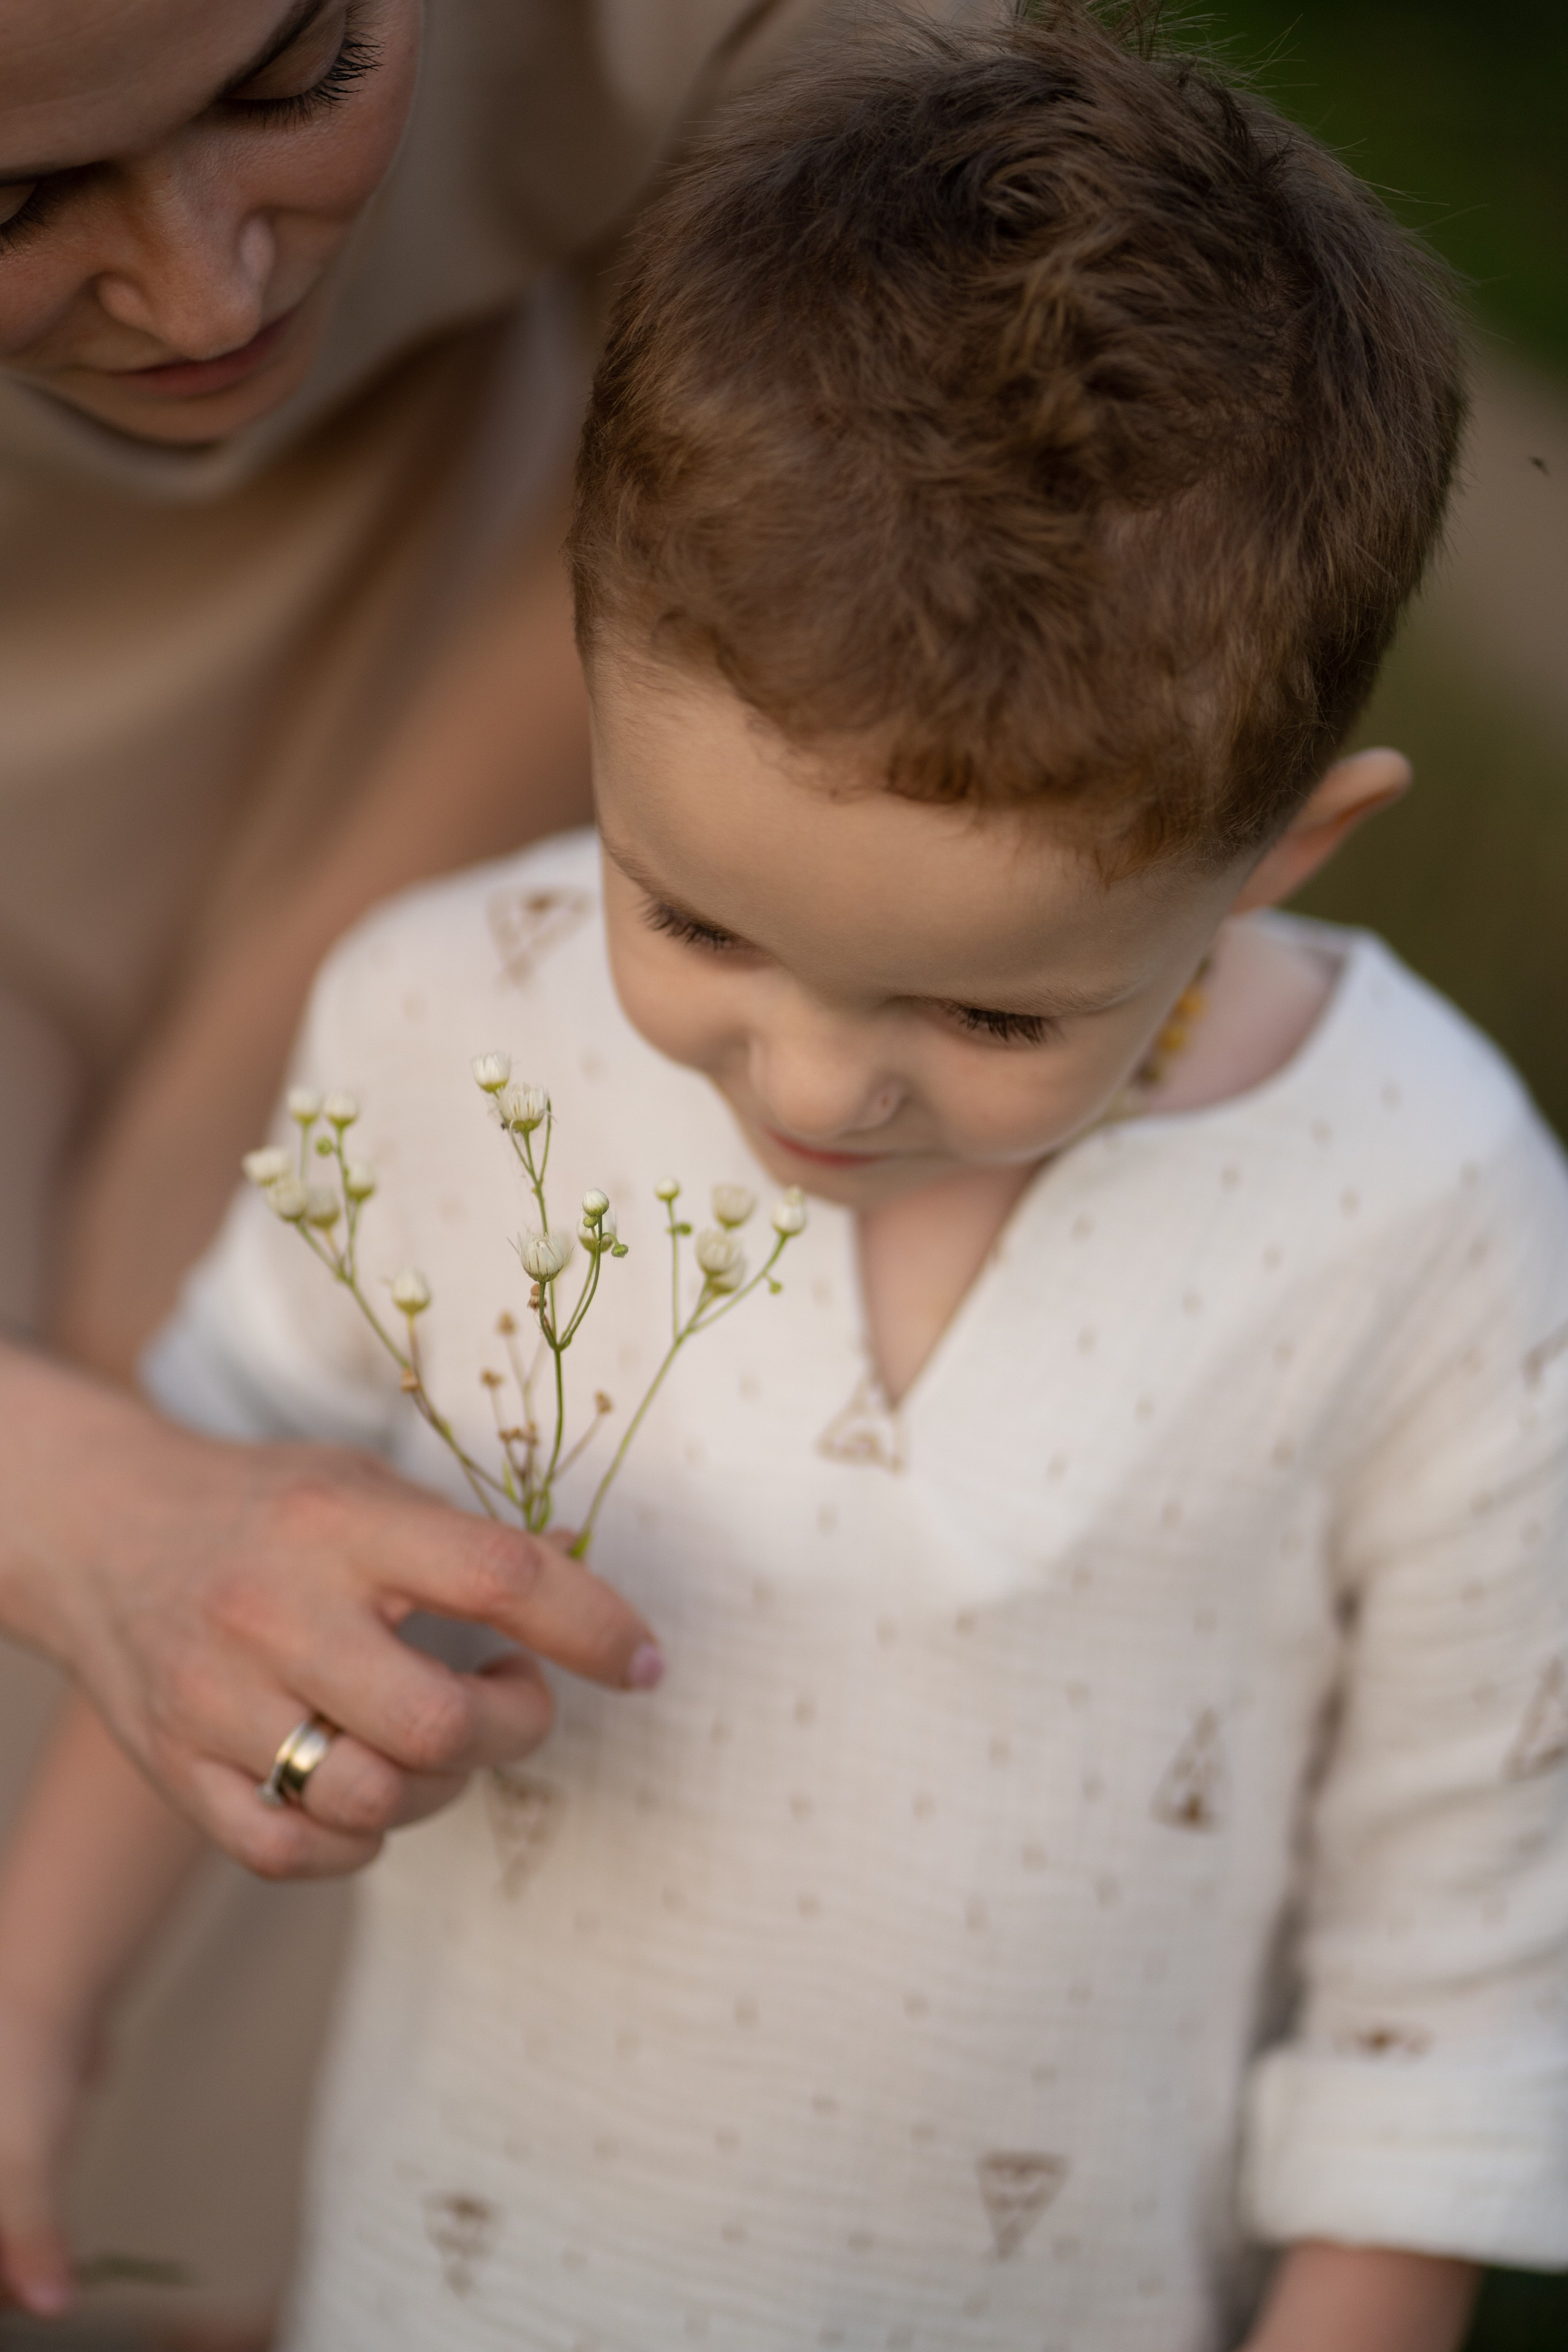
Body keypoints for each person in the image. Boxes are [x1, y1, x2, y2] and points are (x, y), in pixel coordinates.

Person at [4, 7, 1566, 2344]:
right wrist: (32, 2011)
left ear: (1282, 851)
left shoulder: (1426, 1212)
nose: (821, 1088)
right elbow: (220, 1544)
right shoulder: (448, 1032)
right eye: (698, 920)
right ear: (597, 671)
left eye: (995, 1012)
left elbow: (1457, 1937)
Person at [0, 0, 980, 2331]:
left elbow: (850, 327)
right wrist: (84, 1499)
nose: (215, 286)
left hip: (510, 598)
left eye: (294, 80)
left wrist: (288, 1087)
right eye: (19, 202)